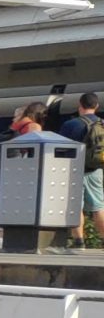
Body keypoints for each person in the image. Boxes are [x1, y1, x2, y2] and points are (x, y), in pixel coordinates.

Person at [59, 93, 104, 248]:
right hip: (96, 170)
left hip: (74, 170)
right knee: (98, 207)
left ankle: (79, 241)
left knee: (75, 206)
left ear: (80, 105)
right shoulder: (102, 124)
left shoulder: (70, 125)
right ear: (96, 106)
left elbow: (60, 149)